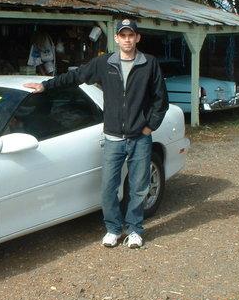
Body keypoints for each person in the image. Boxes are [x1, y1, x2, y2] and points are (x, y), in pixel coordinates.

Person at [24, 19, 169, 248]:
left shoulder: (149, 64)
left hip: (140, 137)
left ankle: (134, 230)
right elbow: (76, 76)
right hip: (112, 137)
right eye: (123, 35)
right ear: (117, 38)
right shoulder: (104, 63)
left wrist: (149, 126)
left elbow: (161, 100)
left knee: (139, 187)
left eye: (132, 35)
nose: (128, 39)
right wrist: (46, 85)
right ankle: (113, 229)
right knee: (108, 187)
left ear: (138, 38)